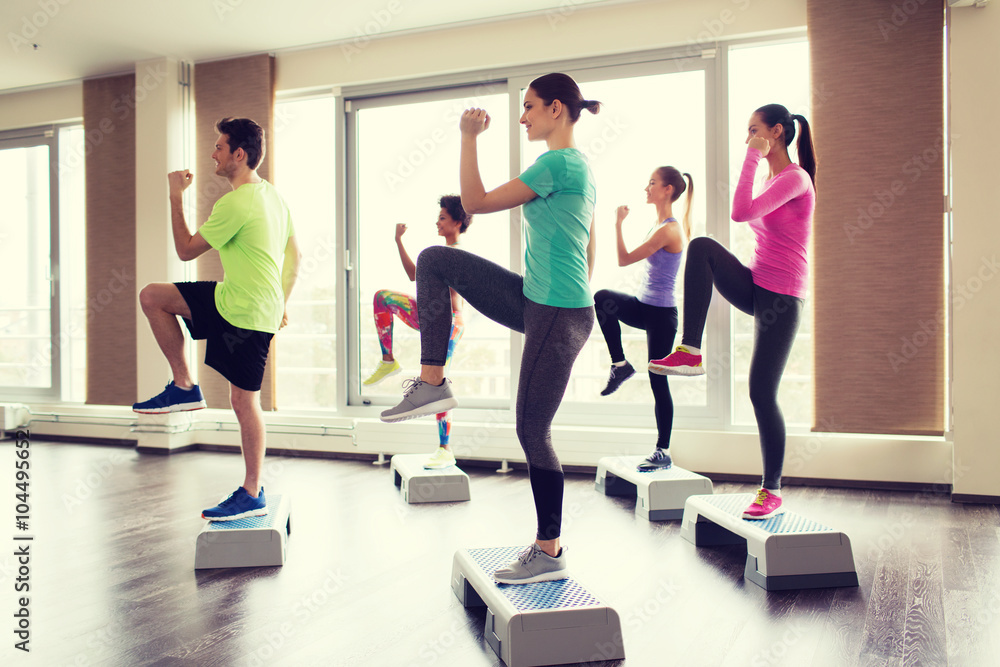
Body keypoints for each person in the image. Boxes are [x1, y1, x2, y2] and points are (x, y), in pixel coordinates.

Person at [381, 73, 599, 584]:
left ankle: (549, 550)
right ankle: (432, 382)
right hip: (539, 299)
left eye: (529, 107)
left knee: (531, 429)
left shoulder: (558, 162)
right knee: (435, 260)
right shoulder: (576, 166)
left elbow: (474, 203)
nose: (522, 117)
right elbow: (586, 247)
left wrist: (467, 136)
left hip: (557, 311)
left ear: (557, 109)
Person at [649, 104, 816, 520]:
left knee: (761, 392)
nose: (748, 139)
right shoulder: (772, 178)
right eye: (747, 134)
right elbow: (743, 210)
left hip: (782, 298)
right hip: (757, 285)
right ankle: (689, 349)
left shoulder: (796, 178)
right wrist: (756, 160)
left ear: (776, 132)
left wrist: (752, 154)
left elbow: (741, 212)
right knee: (702, 247)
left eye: (754, 131)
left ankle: (771, 490)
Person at [132, 117, 300, 522]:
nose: (213, 154)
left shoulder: (237, 202)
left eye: (220, 148)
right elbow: (294, 258)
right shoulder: (273, 197)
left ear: (238, 155)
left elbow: (187, 250)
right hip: (237, 300)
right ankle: (184, 385)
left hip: (244, 311)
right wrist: (281, 303)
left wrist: (175, 197)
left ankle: (252, 491)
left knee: (244, 402)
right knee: (154, 296)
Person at [594, 167, 692, 472]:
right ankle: (620, 365)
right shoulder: (658, 225)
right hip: (644, 306)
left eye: (652, 183)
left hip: (662, 316)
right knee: (603, 299)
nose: (646, 187)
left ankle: (663, 450)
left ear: (667, 190)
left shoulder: (668, 230)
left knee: (657, 381)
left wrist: (617, 224)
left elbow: (624, 259)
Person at [363, 196, 473, 469]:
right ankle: (388, 360)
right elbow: (415, 275)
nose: (437, 222)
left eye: (443, 218)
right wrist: (398, 242)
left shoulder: (457, 254)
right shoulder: (441, 252)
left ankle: (445, 448)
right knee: (382, 298)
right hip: (430, 315)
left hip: (449, 322)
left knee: (439, 385)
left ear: (457, 222)